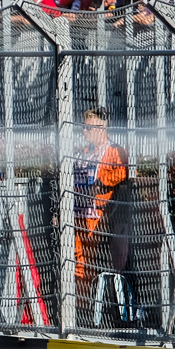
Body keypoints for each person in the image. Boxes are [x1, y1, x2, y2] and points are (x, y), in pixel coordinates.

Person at [76, 107, 135, 324]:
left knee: (85, 266)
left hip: (97, 218)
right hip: (77, 215)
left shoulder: (114, 151)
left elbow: (123, 170)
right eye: (84, 127)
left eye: (89, 128)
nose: (84, 131)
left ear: (102, 128)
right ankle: (77, 308)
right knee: (75, 264)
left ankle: (84, 312)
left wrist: (101, 183)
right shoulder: (83, 151)